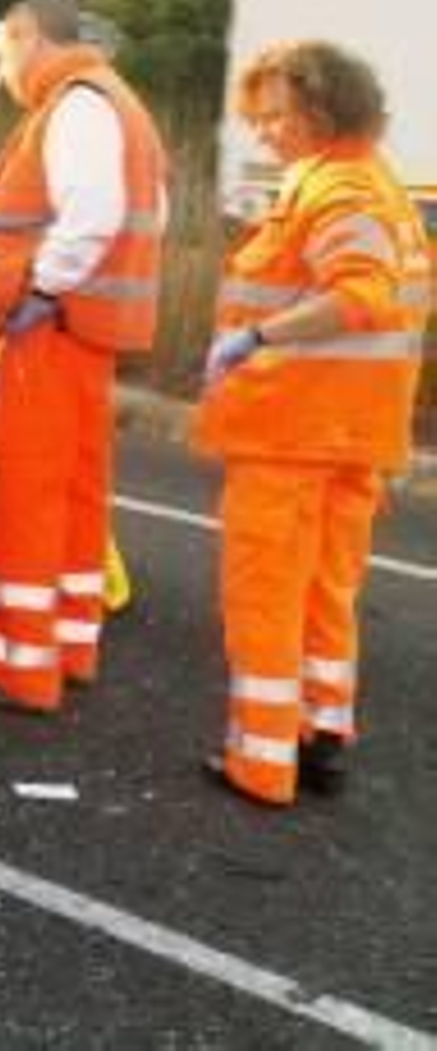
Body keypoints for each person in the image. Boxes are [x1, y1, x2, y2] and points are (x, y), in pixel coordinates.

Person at [195, 41, 429, 806]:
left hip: (294, 433)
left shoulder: (339, 191)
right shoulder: (371, 184)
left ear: (322, 111)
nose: (264, 132)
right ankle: (319, 737)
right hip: (347, 433)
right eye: (258, 117)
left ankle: (261, 763)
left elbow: (360, 295)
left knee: (267, 596)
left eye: (276, 116)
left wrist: (256, 337)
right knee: (326, 592)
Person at [0, 0, 168, 711]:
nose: (2, 71)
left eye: (3, 54)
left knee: (30, 494)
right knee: (75, 493)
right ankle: (70, 647)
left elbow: (91, 214)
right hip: (91, 329)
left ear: (29, 38)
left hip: (55, 326)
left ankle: (24, 670)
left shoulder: (75, 106)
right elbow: (150, 214)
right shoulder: (117, 103)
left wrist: (42, 285)